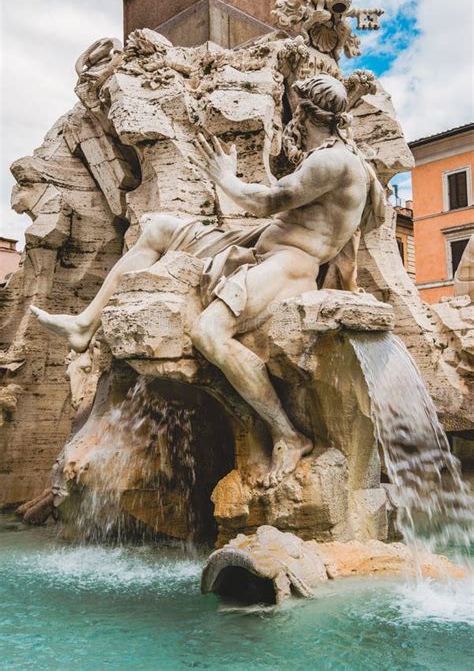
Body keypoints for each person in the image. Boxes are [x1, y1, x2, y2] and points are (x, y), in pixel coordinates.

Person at [31, 74, 382, 487]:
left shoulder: (333, 161)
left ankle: (287, 434)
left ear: (305, 113)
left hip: (290, 263)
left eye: (296, 109)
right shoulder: (336, 156)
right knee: (159, 227)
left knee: (209, 332)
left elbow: (270, 201)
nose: (293, 120)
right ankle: (85, 324)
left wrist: (225, 177)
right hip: (257, 245)